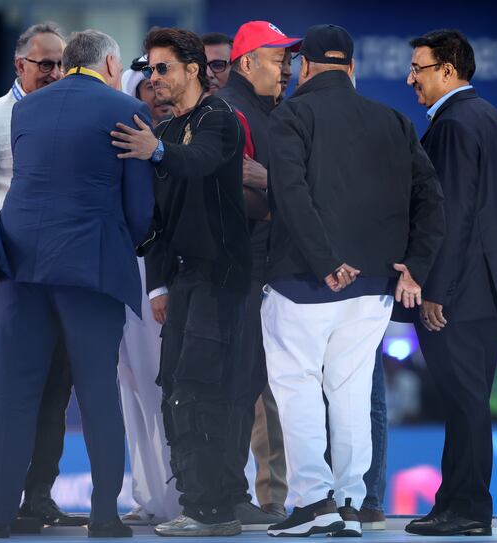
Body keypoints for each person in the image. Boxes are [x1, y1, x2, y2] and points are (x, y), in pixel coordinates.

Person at [263, 24, 444, 537]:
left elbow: (290, 193)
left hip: (304, 282)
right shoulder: (393, 121)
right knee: (349, 392)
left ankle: (313, 502)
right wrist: (417, 265)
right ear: (351, 68)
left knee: (297, 388)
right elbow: (432, 199)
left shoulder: (291, 115)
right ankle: (348, 500)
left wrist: (324, 259)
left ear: (306, 66)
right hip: (375, 288)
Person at [0, 29, 154, 539]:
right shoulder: (123, 108)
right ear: (109, 65)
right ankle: (104, 515)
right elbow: (139, 210)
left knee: (9, 391)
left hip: (19, 264)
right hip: (87, 266)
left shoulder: (25, 110)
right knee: (98, 389)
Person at [111, 27, 251, 537]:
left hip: (221, 275)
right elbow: (160, 222)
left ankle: (215, 510)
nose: (154, 78)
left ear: (194, 69)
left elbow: (202, 164)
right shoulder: (165, 134)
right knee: (174, 388)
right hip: (185, 279)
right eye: (149, 69)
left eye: (163, 68)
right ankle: (195, 503)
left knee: (202, 390)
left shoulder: (220, 118)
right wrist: (158, 284)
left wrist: (156, 153)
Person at [403, 29, 497, 537]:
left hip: (459, 291)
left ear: (448, 70)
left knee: (465, 401)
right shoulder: (490, 117)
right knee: (467, 400)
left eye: (420, 67)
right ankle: (454, 502)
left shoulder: (454, 124)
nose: (411, 77)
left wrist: (436, 288)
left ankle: (469, 509)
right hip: (490, 288)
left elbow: (450, 215)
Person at [0, 22, 85, 527]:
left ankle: (39, 495)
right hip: (4, 286)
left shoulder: (70, 116)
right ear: (20, 66)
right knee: (9, 400)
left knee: (56, 397)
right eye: (45, 64)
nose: (54, 73)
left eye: (61, 64)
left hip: (60, 280)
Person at [215, 20, 301, 529]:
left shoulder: (270, 113)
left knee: (258, 387)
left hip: (265, 269)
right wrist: (282, 196)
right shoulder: (232, 111)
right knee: (238, 385)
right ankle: (227, 493)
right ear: (248, 63)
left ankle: (244, 494)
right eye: (278, 59)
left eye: (290, 60)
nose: (287, 68)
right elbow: (234, 193)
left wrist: (275, 188)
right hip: (245, 270)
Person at [116, 57, 180, 526]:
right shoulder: (121, 140)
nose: (156, 95)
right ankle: (147, 492)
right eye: (146, 88)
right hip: (126, 269)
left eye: (161, 84)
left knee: (164, 385)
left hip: (166, 273)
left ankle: (180, 494)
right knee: (132, 387)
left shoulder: (184, 134)